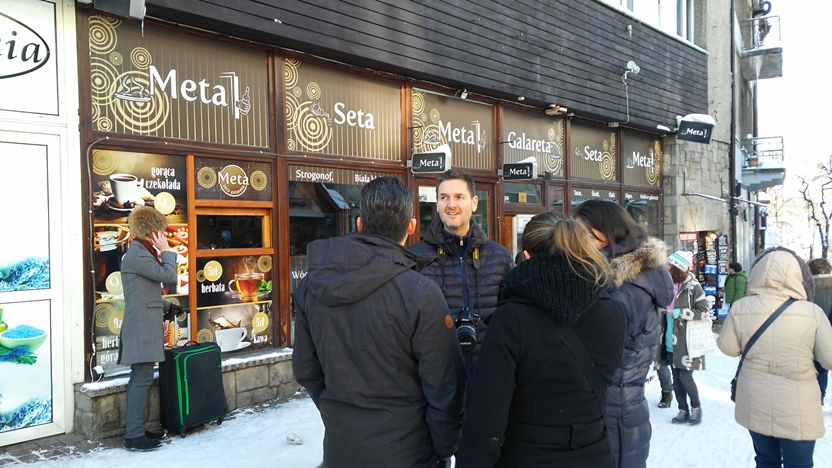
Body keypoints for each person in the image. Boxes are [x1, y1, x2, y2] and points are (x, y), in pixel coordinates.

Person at [292, 176, 467, 468]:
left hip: (343, 449)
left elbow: (307, 370)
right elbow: (445, 389)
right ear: (411, 227)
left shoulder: (312, 286)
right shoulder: (420, 293)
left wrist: (341, 417)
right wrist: (443, 449)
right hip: (409, 454)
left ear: (360, 224)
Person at [457, 211, 628, 467]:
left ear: (525, 256)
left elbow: (486, 423)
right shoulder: (614, 311)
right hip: (595, 453)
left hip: (528, 456)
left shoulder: (512, 318)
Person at [572, 200, 673, 468]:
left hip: (614, 410)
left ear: (610, 234)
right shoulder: (629, 277)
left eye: (585, 234)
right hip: (620, 406)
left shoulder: (625, 288)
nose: (578, 242)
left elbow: (600, 346)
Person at [718, 247, 832, 468]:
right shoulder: (812, 312)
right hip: (798, 401)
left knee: (766, 460)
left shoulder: (741, 307)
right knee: (798, 463)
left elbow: (728, 349)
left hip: (755, 395)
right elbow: (829, 360)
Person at [409, 169, 514, 374]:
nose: (451, 205)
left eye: (459, 197)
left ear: (474, 203)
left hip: (490, 374)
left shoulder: (499, 257)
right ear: (437, 203)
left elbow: (513, 321)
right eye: (444, 197)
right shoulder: (415, 258)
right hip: (436, 377)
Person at [118, 206, 180, 451]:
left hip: (142, 325)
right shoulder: (139, 254)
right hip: (140, 328)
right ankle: (133, 435)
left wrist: (167, 306)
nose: (163, 235)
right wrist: (167, 251)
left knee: (140, 379)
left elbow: (143, 292)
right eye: (160, 231)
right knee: (141, 380)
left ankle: (136, 430)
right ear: (151, 231)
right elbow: (169, 276)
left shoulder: (140, 252)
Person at [657, 251, 710, 426]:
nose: (667, 268)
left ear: (677, 268)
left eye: (670, 266)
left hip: (687, 342)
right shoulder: (666, 285)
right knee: (676, 378)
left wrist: (680, 313)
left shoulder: (693, 287)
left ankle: (696, 408)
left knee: (685, 378)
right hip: (669, 340)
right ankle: (682, 409)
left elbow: (704, 312)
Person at [808, 258, 832, 402]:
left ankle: (814, 396)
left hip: (809, 336)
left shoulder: (805, 291)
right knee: (824, 366)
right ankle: (820, 394)